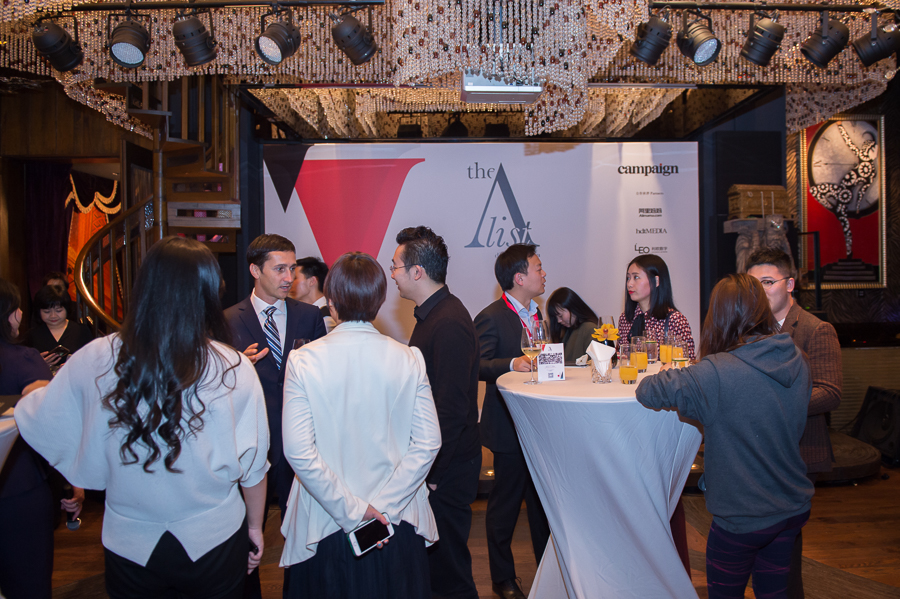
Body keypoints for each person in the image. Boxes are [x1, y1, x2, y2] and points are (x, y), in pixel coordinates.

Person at [15, 237, 270, 599]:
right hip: (214, 536)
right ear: (209, 293)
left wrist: (32, 390)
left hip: (129, 540)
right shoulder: (232, 365)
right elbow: (254, 465)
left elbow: (42, 418)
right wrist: (255, 528)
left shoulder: (98, 356)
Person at [636, 273, 814, 599]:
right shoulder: (797, 358)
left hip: (742, 515)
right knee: (774, 593)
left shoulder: (715, 372)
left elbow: (648, 390)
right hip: (790, 505)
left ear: (718, 317)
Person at [280, 252, 441, 598]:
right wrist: (381, 509)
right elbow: (428, 443)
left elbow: (298, 451)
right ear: (379, 301)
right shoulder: (408, 358)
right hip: (397, 519)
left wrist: (354, 511)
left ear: (331, 302)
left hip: (325, 521)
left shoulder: (303, 360)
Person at [224, 234, 325, 599]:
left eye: (292, 269)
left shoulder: (309, 316)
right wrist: (237, 367)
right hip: (249, 440)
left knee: (301, 527)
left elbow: (323, 379)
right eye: (280, 269)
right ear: (255, 270)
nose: (289, 277)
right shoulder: (227, 321)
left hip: (299, 441)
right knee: (244, 531)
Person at [391, 226, 481, 599]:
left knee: (449, 573)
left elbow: (452, 408)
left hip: (448, 469)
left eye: (395, 266)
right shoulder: (434, 314)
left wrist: (432, 473)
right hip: (440, 464)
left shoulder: (448, 322)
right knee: (436, 569)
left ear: (417, 271)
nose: (392, 274)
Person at [747, 247, 842, 599]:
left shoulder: (816, 329)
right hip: (761, 451)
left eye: (767, 282)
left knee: (784, 550)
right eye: (753, 284)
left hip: (799, 451)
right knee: (766, 548)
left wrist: (775, 404)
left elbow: (830, 393)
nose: (759, 291)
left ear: (790, 284)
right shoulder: (750, 330)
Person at [474, 243, 551, 599]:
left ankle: (548, 574)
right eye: (538, 268)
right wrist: (511, 364)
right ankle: (502, 578)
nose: (544, 273)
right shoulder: (491, 316)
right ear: (519, 277)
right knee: (504, 506)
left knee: (541, 505)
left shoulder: (538, 313)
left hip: (538, 423)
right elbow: (477, 364)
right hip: (507, 425)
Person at [0, 278, 54, 599]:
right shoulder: (25, 360)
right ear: (12, 314)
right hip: (18, 487)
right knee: (27, 584)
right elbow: (53, 428)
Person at [618, 253, 696, 360]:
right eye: (628, 278)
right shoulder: (625, 319)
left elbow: (688, 362)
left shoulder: (675, 320)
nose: (629, 284)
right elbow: (621, 356)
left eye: (636, 277)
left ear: (656, 281)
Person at [23, 284, 94, 374]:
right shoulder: (32, 335)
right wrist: (38, 363)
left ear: (66, 309)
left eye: (58, 310)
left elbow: (92, 361)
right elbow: (23, 367)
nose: (53, 316)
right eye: (47, 312)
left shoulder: (81, 331)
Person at [546, 287, 598, 363]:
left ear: (573, 308)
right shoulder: (570, 330)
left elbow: (594, 364)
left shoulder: (589, 329)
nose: (559, 321)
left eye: (560, 316)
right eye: (556, 318)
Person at [290, 256, 335, 333]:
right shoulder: (301, 313)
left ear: (312, 281)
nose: (290, 282)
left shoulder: (326, 317)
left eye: (295, 278)